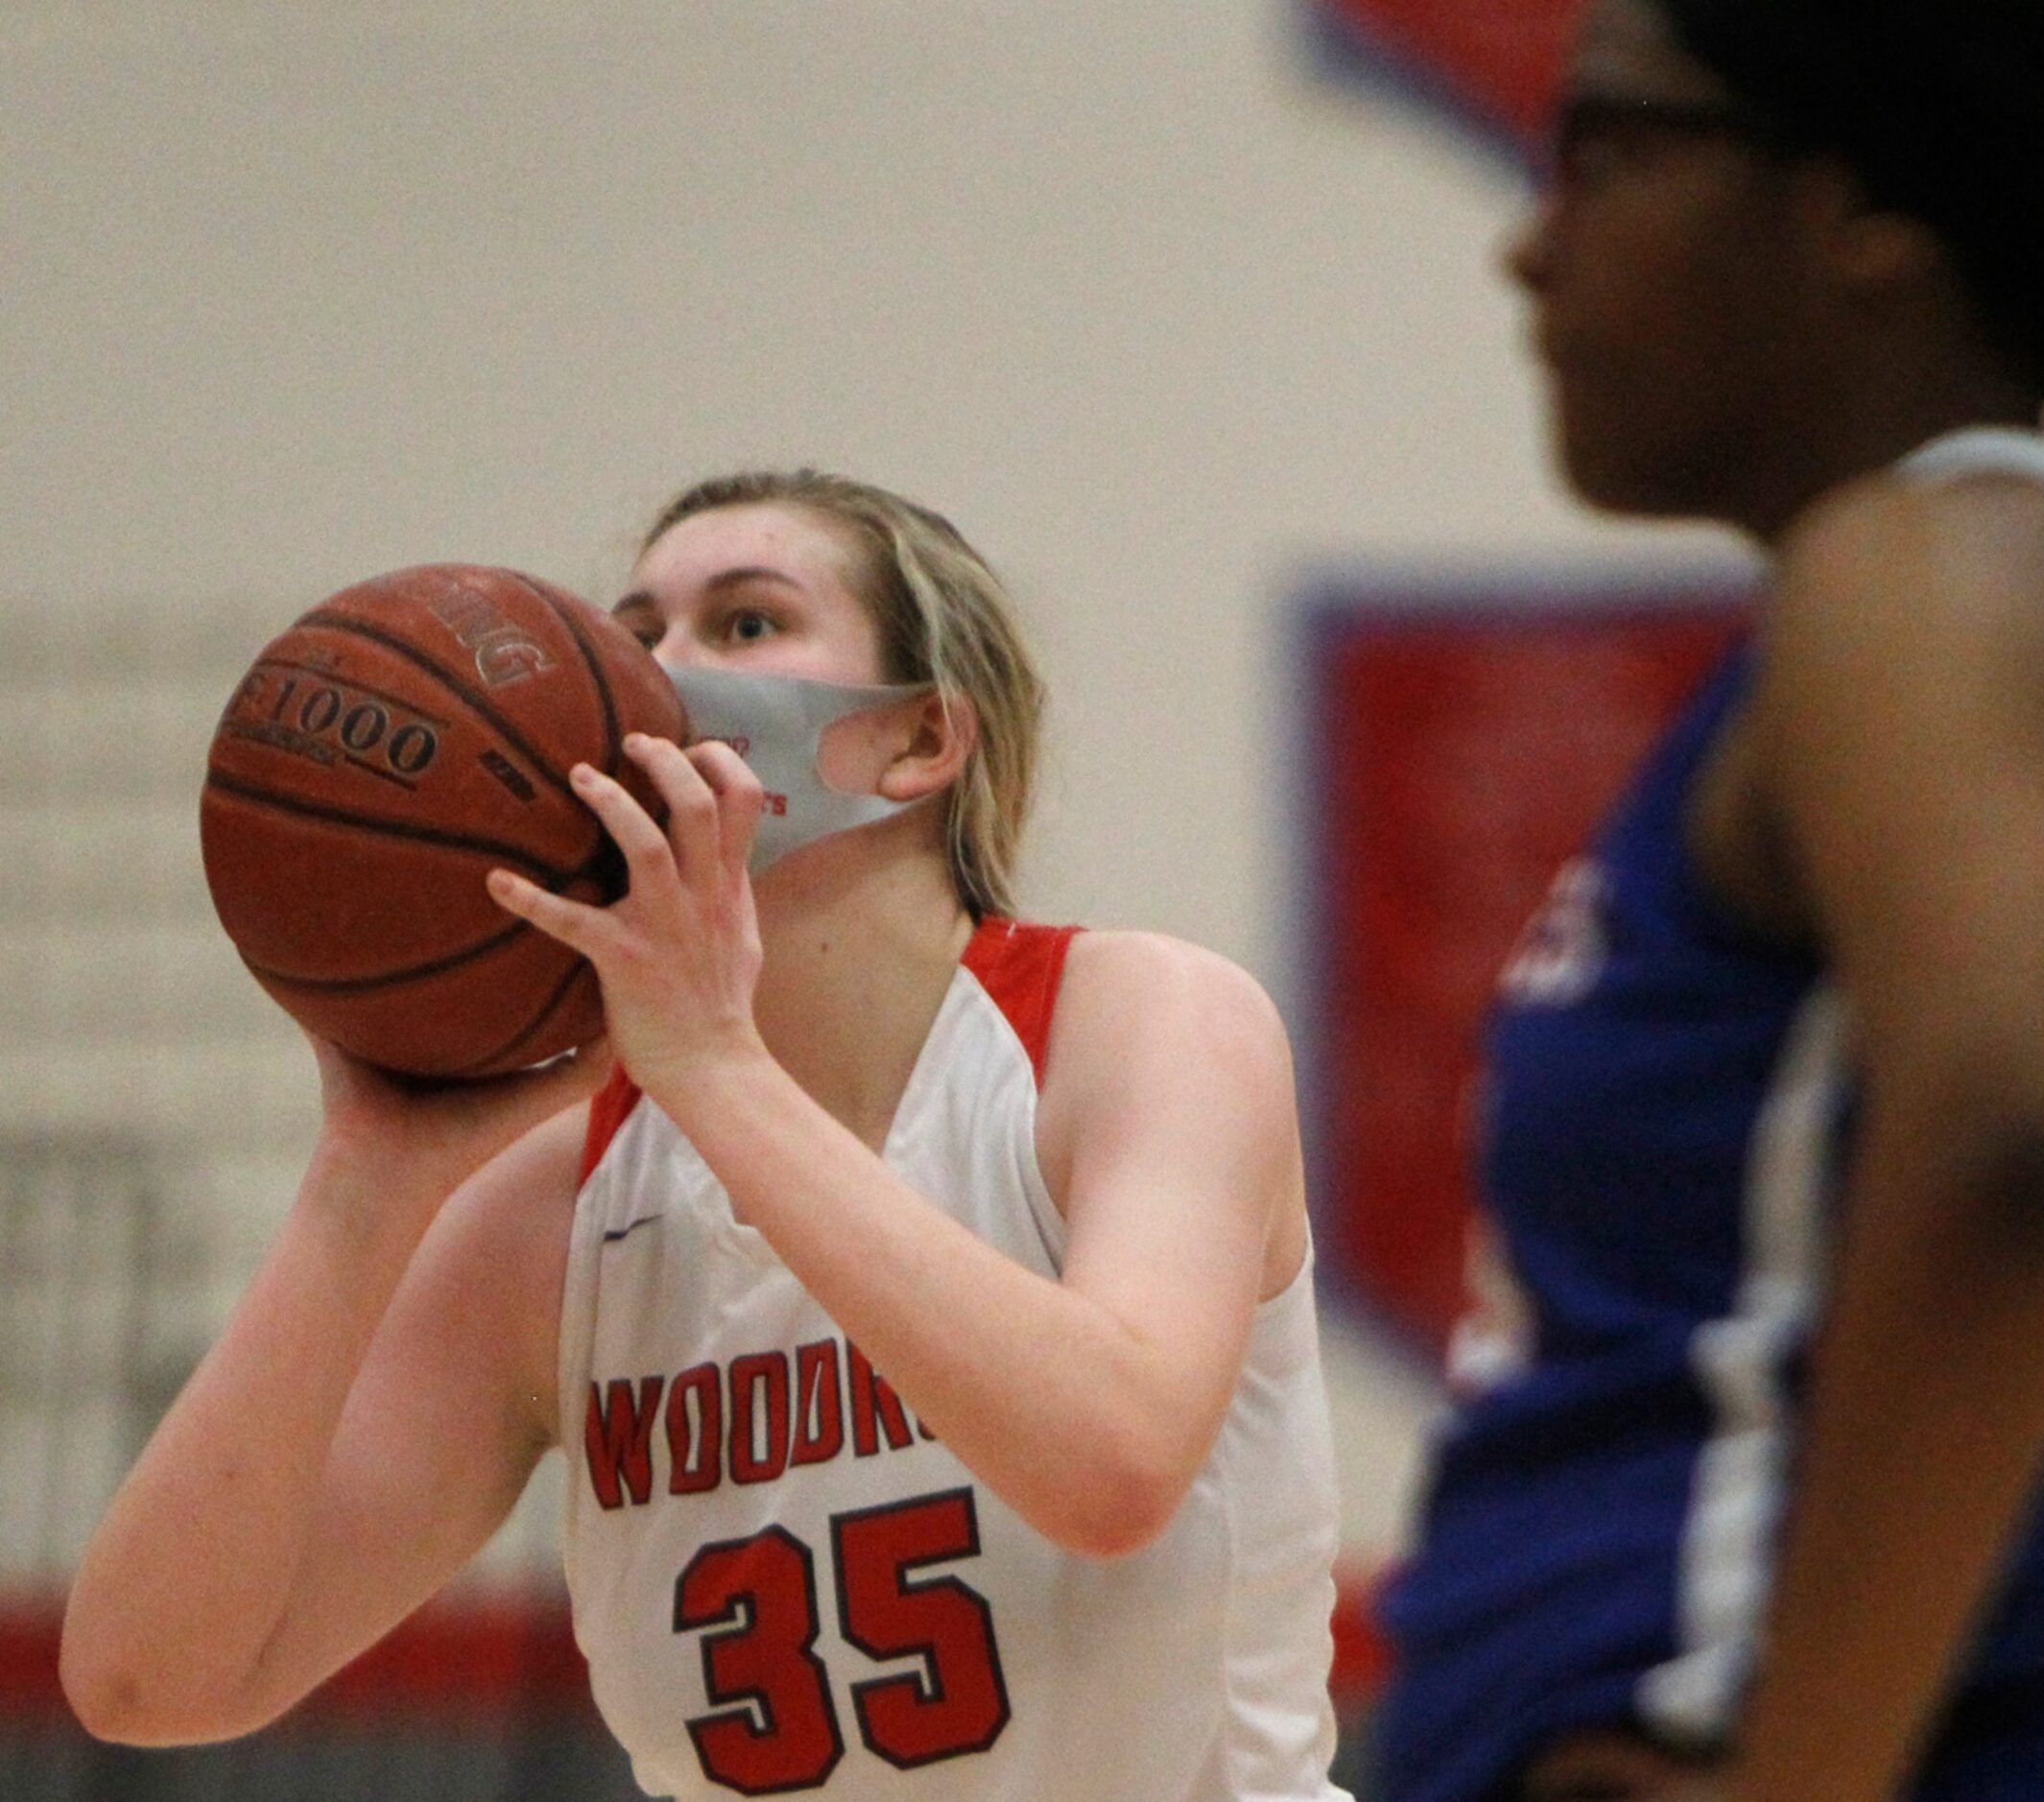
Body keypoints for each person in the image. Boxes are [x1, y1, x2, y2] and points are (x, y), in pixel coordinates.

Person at [60, 468, 1353, 1801]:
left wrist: (714, 1065)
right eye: (635, 633)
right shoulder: (561, 1203)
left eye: (744, 624)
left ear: (916, 742)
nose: (660, 677)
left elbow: (1114, 1465)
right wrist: (364, 1181)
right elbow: (150, 1680)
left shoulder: (1132, 1024)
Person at [1373, 2, 2044, 1799]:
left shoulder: (1941, 560)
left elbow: (2026, 1118)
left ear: (1865, 211)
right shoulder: (1950, 597)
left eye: (1604, 147)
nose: (1531, 239)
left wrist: (1807, 1778)